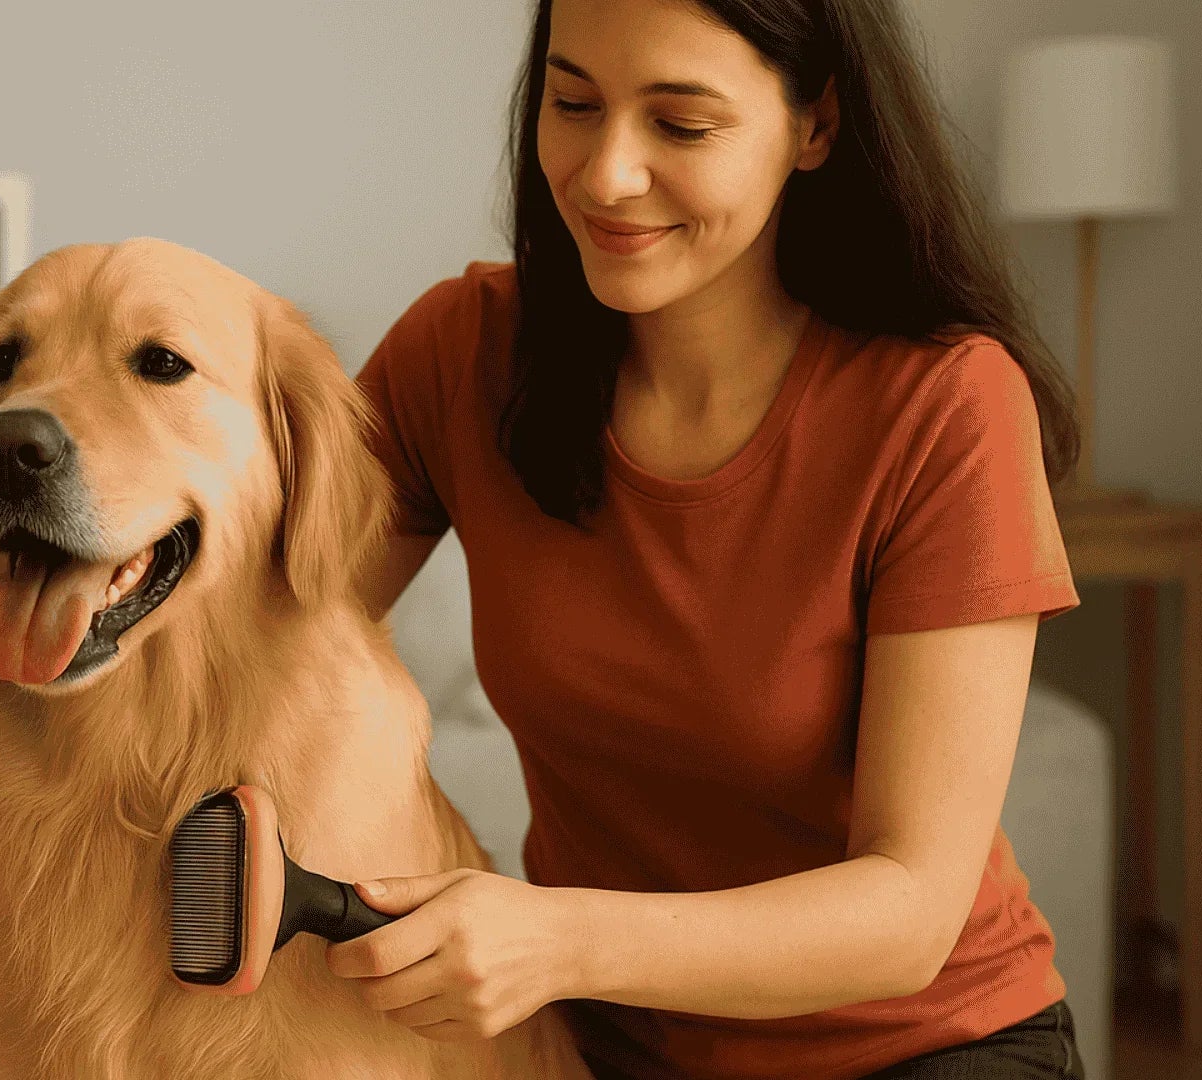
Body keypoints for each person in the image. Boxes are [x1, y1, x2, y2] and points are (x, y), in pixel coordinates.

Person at [322, 0, 1087, 1076]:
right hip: (606, 1045)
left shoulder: (946, 405)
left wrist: (558, 940)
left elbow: (910, 911)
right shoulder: (464, 353)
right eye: (572, 101)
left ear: (815, 125)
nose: (604, 176)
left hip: (920, 1049)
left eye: (680, 127)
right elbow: (270, 625)